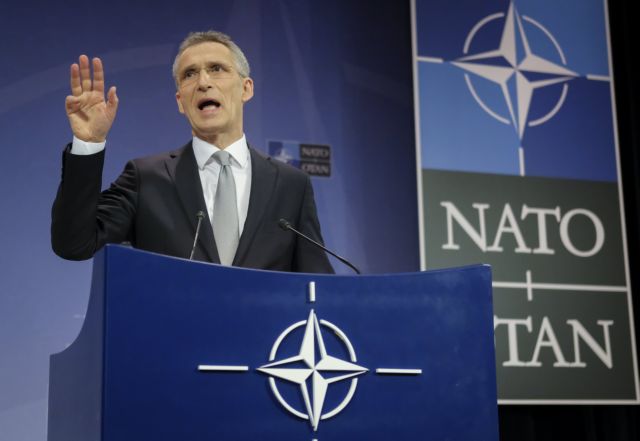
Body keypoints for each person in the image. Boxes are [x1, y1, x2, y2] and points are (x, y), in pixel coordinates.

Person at [51, 31, 334, 273]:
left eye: (217, 69)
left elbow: (317, 284)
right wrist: (88, 142)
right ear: (180, 101)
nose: (203, 82)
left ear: (246, 88)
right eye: (190, 74)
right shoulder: (146, 178)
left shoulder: (291, 185)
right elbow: (74, 244)